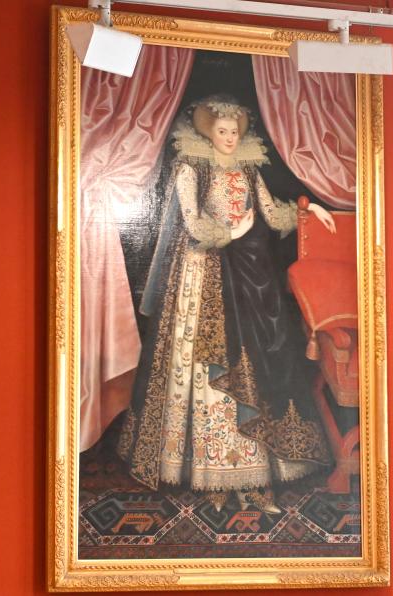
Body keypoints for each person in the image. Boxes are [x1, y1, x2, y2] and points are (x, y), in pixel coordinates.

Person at [116, 95, 335, 513]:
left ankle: (252, 480)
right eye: (222, 131)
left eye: (235, 131)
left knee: (251, 361)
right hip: (200, 276)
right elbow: (193, 221)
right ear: (208, 132)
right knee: (201, 368)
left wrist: (312, 211)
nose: (230, 138)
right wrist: (231, 234)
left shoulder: (248, 167)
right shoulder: (190, 167)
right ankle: (212, 478)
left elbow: (271, 213)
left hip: (245, 279)